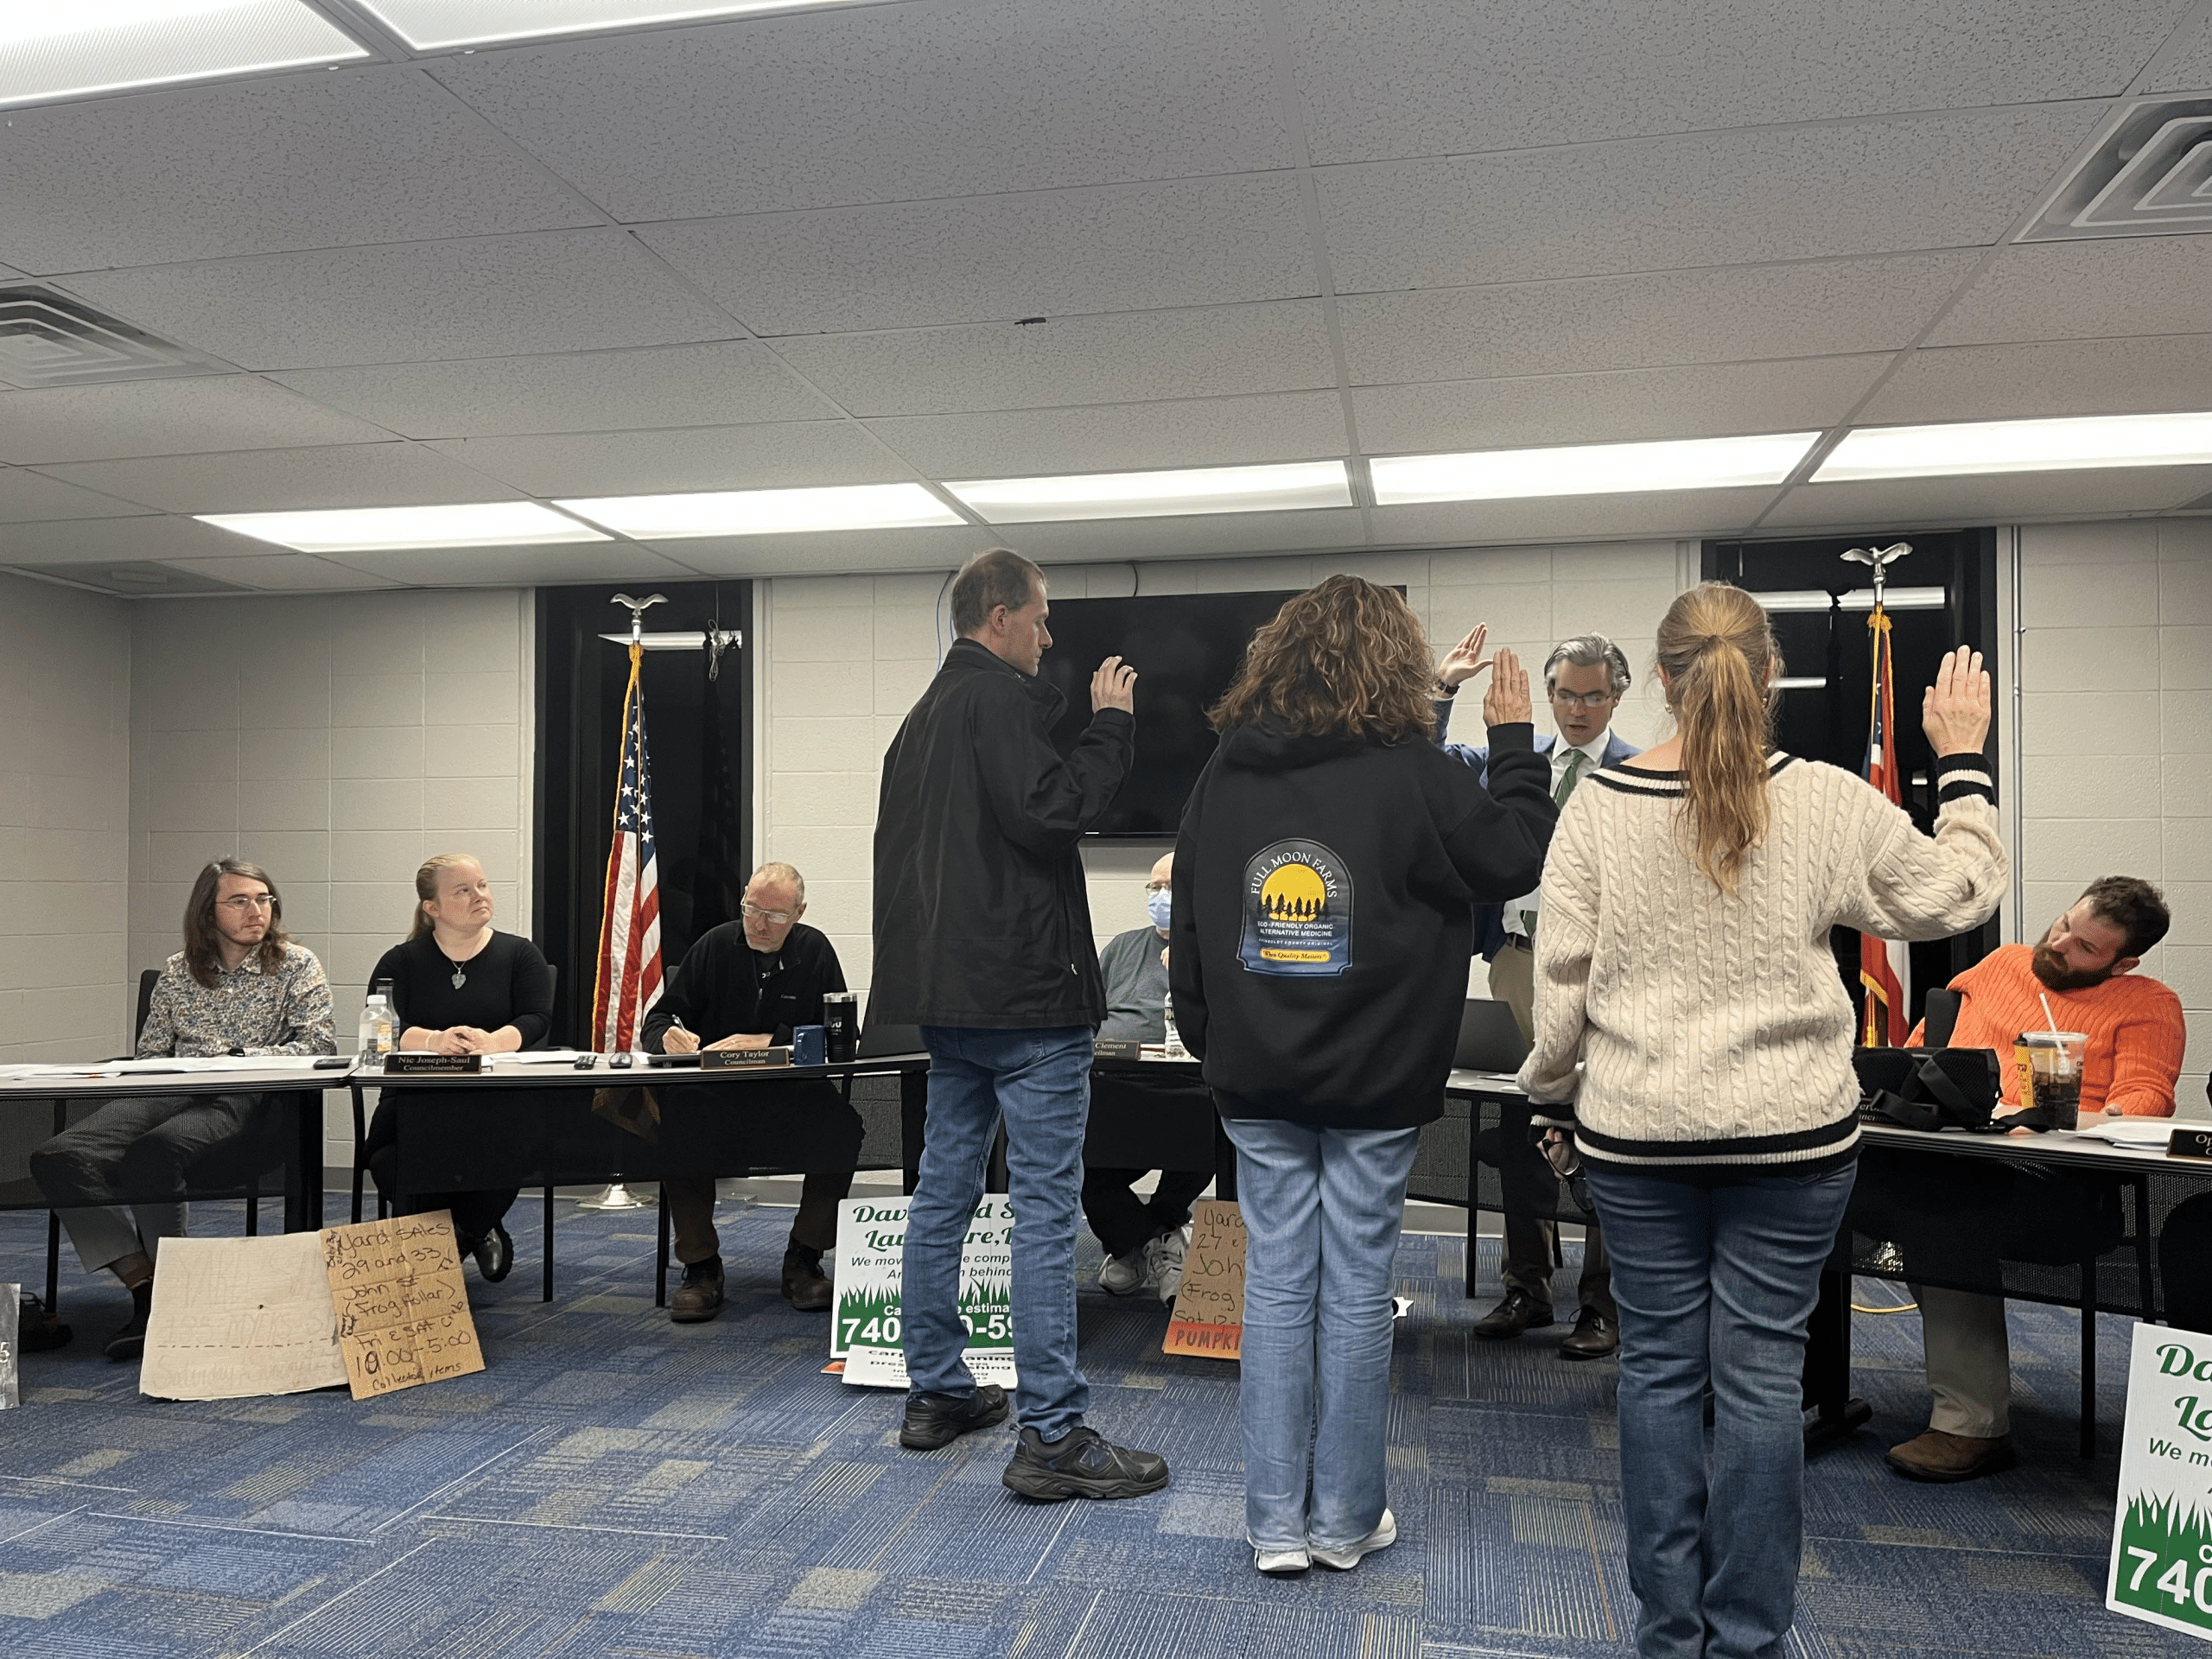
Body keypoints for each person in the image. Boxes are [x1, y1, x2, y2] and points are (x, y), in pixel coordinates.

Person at [1519, 584, 2005, 1659]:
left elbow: (1560, 987)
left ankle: (1668, 1635)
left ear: (1659, 679)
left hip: (1638, 1140)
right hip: (1792, 1142)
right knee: (1758, 1385)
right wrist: (1963, 764)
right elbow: (1955, 895)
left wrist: (1549, 1093)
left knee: (1656, 1376)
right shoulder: (1825, 799)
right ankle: (1747, 1639)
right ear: (1769, 672)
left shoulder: (1597, 806)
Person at [1170, 575, 1559, 1575]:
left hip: (1254, 1075)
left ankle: (1273, 1526)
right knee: (1352, 1295)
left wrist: (1210, 1042)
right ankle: (1343, 1522)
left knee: (1275, 1290)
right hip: (1377, 1081)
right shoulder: (1412, 774)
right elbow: (1512, 857)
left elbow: (1195, 924)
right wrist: (1514, 746)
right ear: (1393, 665)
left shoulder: (1225, 770)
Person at [873, 546, 1169, 1503]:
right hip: (1029, 1001)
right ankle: (1051, 1434)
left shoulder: (918, 721)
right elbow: (1054, 811)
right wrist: (1112, 727)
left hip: (948, 1000)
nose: (1049, 636)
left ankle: (937, 1390)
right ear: (997, 616)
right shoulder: (999, 701)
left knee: (943, 1197)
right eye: (1040, 618)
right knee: (1043, 1210)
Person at [1860, 877, 2184, 1484]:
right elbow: (1917, 1054)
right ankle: (1782, 1389)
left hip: (2059, 1187)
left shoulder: (2148, 1002)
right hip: (1948, 1159)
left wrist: (2065, 1116)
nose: (2059, 945)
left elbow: (2146, 1100)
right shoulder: (2002, 964)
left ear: (2122, 964)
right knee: (1811, 1187)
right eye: (2064, 925)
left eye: (2085, 947)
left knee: (1946, 1213)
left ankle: (1972, 1426)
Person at [30, 858, 335, 1359]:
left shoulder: (295, 964)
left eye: (264, 899)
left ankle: (174, 1298)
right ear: (208, 912)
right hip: (170, 1086)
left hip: (244, 1093)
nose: (257, 910)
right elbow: (151, 1052)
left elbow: (319, 1045)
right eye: (240, 900)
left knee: (154, 1152)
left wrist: (238, 1057)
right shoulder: (178, 970)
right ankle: (146, 1284)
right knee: (55, 1157)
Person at [1436, 626, 1643, 1360]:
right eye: (1565, 694)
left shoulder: (1637, 772)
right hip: (1519, 962)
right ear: (1548, 695)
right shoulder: (1511, 763)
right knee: (1520, 1122)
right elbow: (1428, 763)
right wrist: (1444, 688)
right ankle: (1526, 1285)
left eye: (1593, 696)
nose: (1578, 709)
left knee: (1603, 1130)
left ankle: (1603, 1303)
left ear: (1616, 697)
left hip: (1603, 973)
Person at [641, 861, 861, 1319]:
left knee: (843, 1126)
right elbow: (659, 1018)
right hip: (715, 1097)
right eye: (751, 909)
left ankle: (804, 1257)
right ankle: (701, 1266)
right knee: (677, 1123)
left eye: (775, 916)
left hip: (791, 1097)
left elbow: (841, 1034)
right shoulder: (715, 945)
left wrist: (773, 1041)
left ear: (799, 913)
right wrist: (668, 1037)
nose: (760, 924)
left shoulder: (815, 951)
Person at [361, 854, 555, 1282]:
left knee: (514, 1147)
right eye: (463, 890)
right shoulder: (400, 961)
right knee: (388, 1160)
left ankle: (460, 1238)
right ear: (432, 907)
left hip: (496, 1100)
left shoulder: (520, 954)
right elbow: (384, 1024)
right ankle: (474, 1231)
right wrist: (435, 1041)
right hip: (416, 1100)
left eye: (482, 885)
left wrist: (491, 1042)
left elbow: (537, 1018)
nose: (479, 896)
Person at [1085, 850, 1210, 1302]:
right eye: (1154, 887)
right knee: (1082, 1164)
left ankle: (1138, 1244)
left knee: (1210, 1138)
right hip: (1115, 1094)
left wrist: (1190, 969)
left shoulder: (1211, 949)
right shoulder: (1122, 947)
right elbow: (1089, 1014)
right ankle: (1153, 1241)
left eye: (1171, 887)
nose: (1160, 895)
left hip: (1188, 1096)